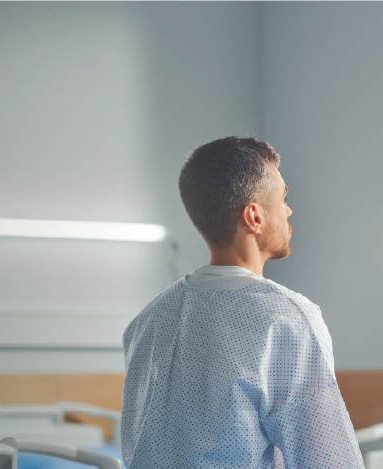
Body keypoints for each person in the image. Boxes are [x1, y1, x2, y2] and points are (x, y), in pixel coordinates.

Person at [121, 136, 364, 469]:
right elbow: (327, 460)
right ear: (254, 216)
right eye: (283, 198)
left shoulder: (147, 321)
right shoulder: (286, 321)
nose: (289, 210)